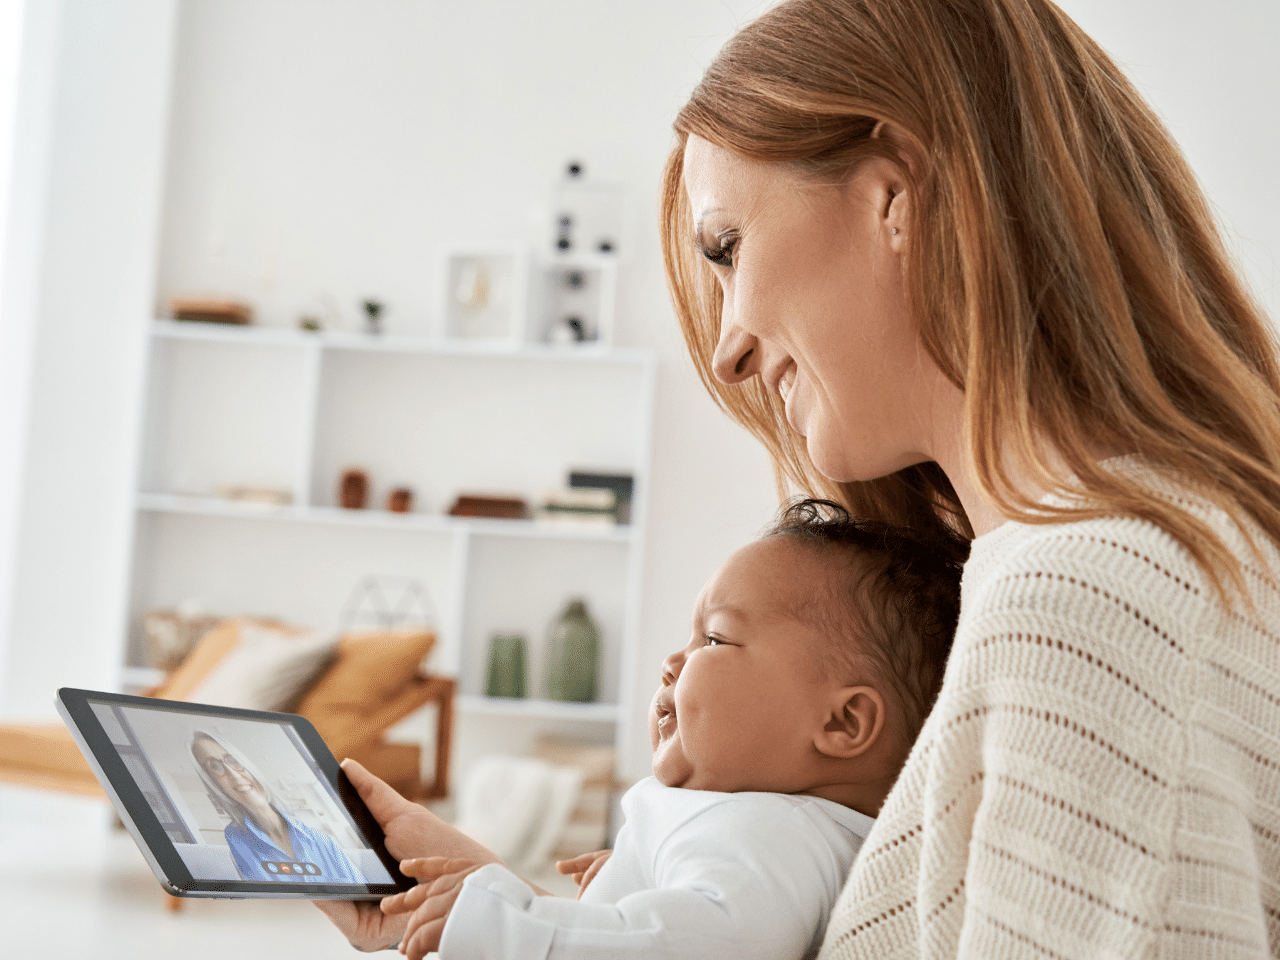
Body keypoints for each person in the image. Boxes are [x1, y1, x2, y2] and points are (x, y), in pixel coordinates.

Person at [658, 0, 1280, 956]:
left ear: (894, 193)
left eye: (728, 248)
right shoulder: (1113, 561)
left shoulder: (1088, 599)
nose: (730, 348)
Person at [319, 498, 967, 959]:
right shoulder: (759, 831)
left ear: (842, 722)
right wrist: (634, 880)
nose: (672, 662)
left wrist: (510, 922)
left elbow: (714, 941)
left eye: (715, 638)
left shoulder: (775, 835)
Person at [189, 730, 367, 884]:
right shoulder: (235, 837)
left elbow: (364, 890)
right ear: (212, 783)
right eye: (215, 767)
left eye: (232, 760)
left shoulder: (321, 840)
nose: (234, 776)